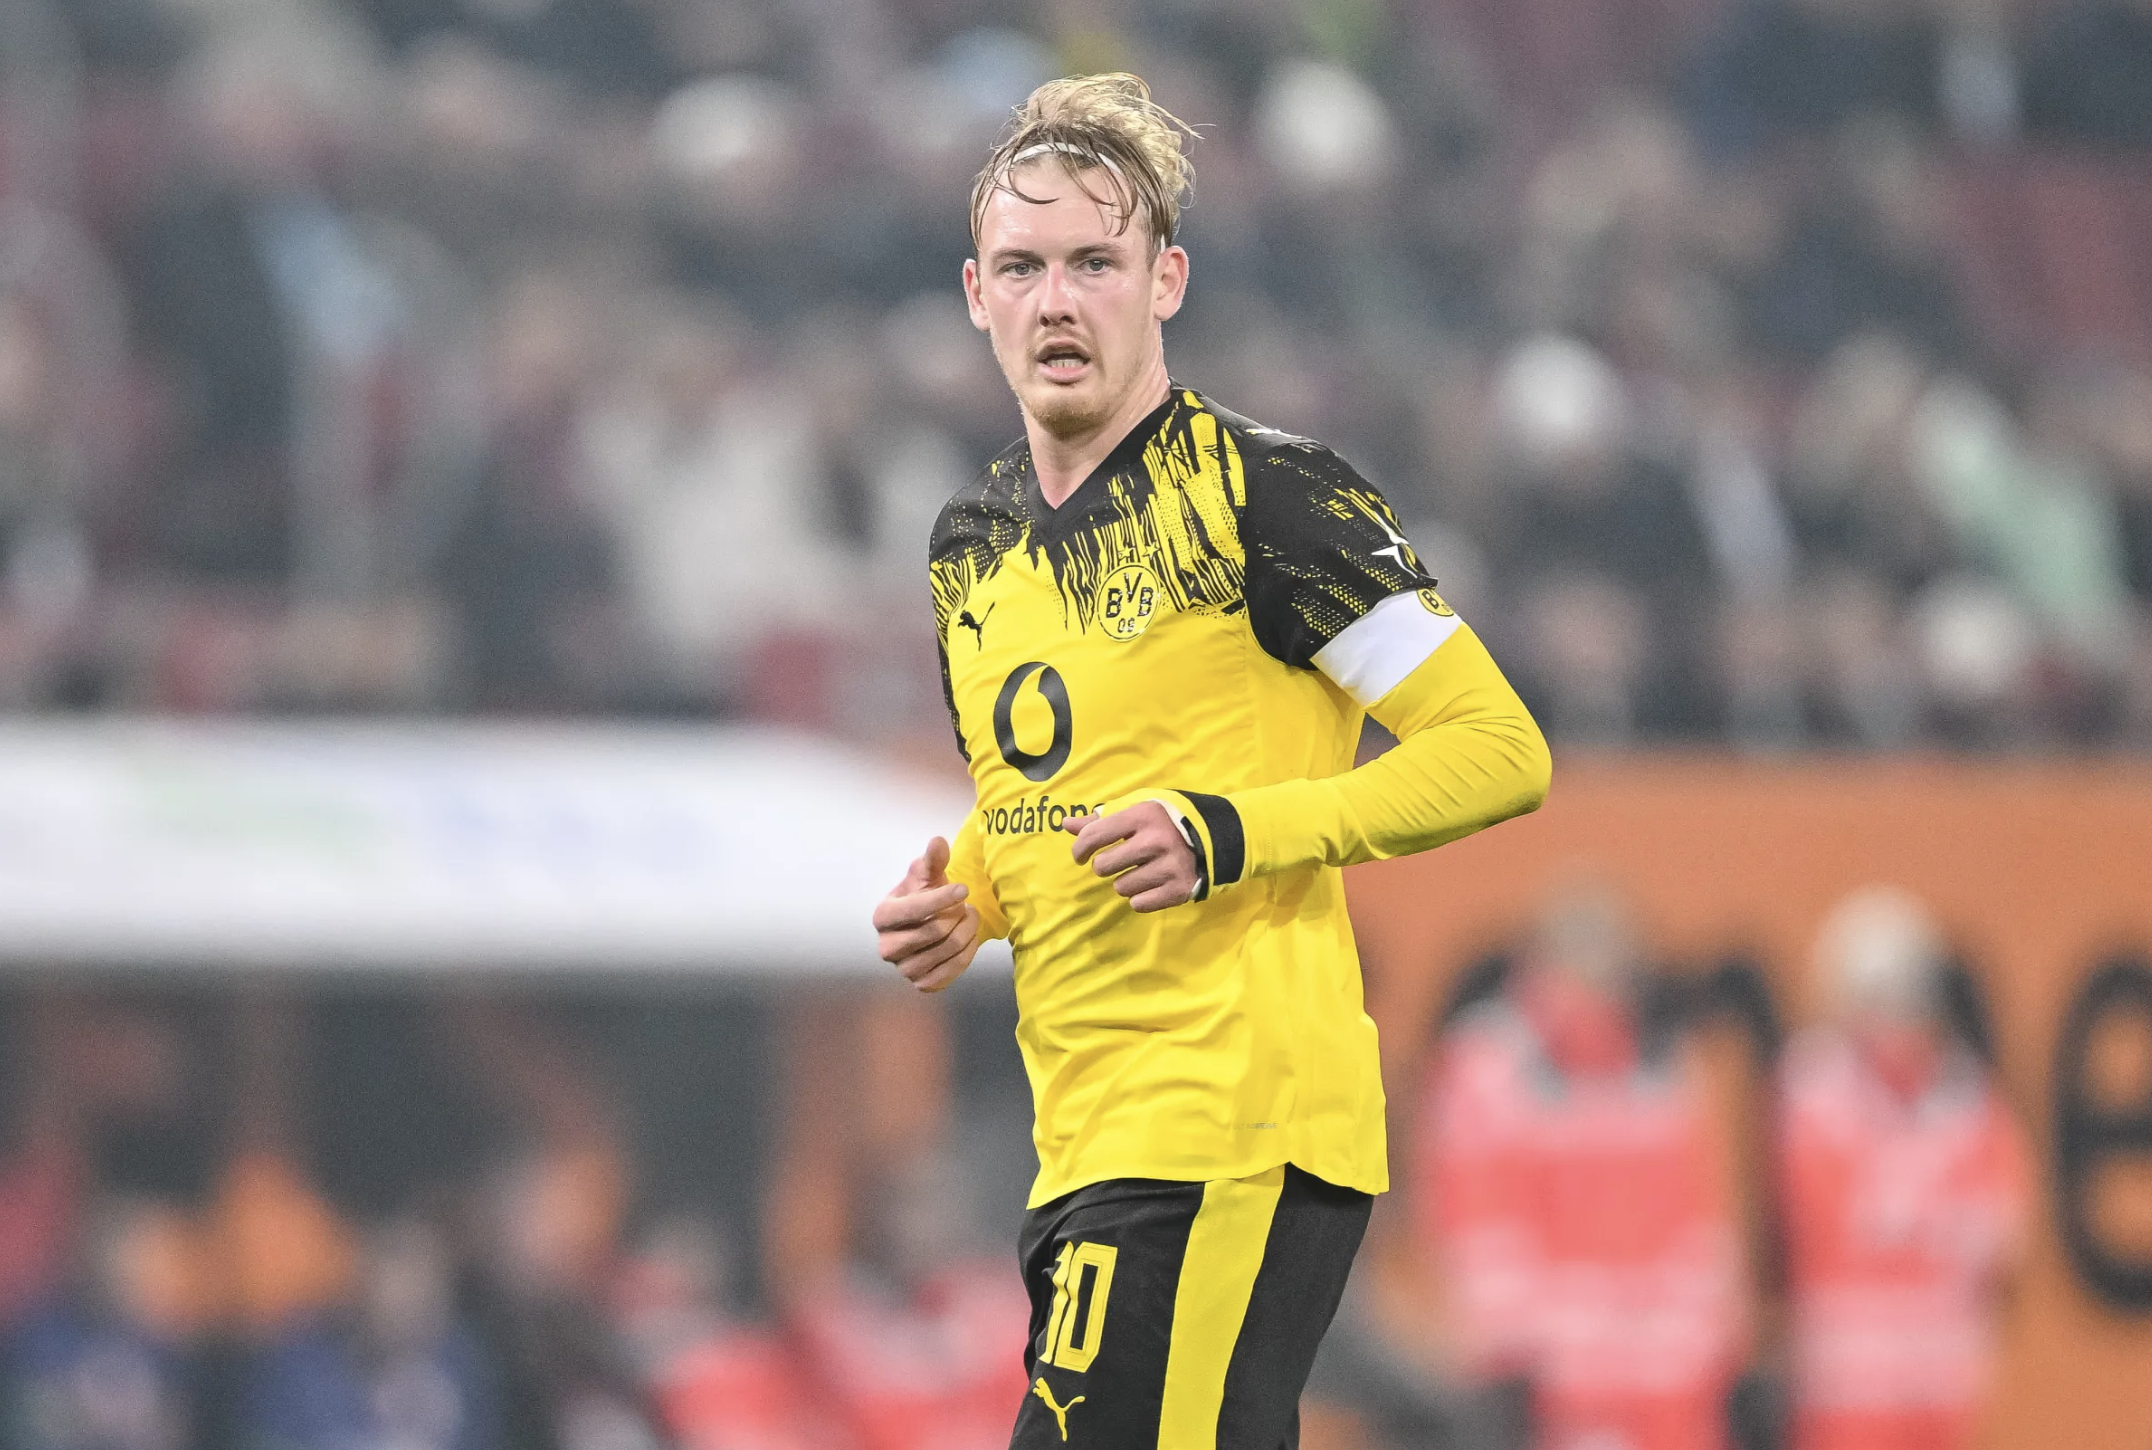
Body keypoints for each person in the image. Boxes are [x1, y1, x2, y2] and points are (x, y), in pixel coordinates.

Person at [871, 73, 1552, 1450]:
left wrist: (1229, 832)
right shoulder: (970, 544)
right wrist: (972, 897)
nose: (1057, 302)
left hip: (1231, 1119)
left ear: (1164, 281)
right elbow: (1045, 796)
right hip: (1083, 1131)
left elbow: (1498, 749)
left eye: (1095, 263)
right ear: (975, 295)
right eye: (1023, 268)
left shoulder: (1272, 498)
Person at [1417, 883, 1749, 1450]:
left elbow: (1699, 1219)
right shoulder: (1489, 1066)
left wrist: (1706, 1342)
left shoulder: (1663, 1065)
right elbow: (1480, 1232)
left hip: (1665, 1383)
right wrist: (1519, 1360)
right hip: (1545, 1388)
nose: (1593, 1000)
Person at [1778, 888, 2028, 1450]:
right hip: (1848, 1389)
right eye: (1884, 1001)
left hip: (1941, 1382)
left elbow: (2003, 1233)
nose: (1901, 1023)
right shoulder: (1815, 1094)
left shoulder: (1968, 1099)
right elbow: (1842, 1219)